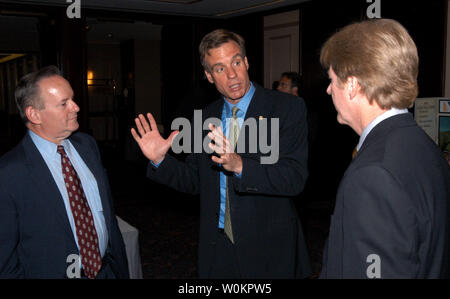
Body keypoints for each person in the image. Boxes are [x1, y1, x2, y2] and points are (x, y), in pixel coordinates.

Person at [131, 29, 311, 278]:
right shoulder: (206, 116)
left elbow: (294, 178)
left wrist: (240, 166)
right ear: (209, 76)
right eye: (219, 68)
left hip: (268, 248)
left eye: (236, 62)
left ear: (246, 62)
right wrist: (159, 160)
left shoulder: (286, 108)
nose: (232, 75)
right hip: (218, 247)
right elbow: (196, 180)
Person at [319, 19, 450, 278]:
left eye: (332, 79)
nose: (328, 89)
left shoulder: (374, 173)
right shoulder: (424, 146)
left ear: (353, 85)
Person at [0, 66, 129, 279]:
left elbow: (106, 215)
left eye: (73, 99)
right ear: (34, 114)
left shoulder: (87, 146)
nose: (76, 107)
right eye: (64, 103)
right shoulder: (9, 173)